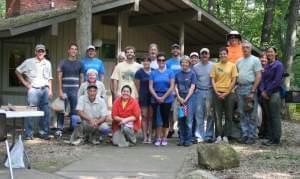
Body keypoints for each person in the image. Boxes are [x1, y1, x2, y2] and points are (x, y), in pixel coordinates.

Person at [15, 44, 53, 140]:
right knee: (30, 111)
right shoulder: (29, 62)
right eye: (38, 51)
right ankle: (28, 134)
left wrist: (50, 90)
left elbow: (49, 78)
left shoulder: (48, 63)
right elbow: (17, 71)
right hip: (33, 90)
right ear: (35, 52)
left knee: (46, 112)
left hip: (45, 89)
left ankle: (43, 132)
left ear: (45, 53)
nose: (40, 53)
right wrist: (26, 84)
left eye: (42, 51)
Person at [236, 41, 262, 144]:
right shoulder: (239, 61)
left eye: (247, 47)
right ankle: (245, 134)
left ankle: (252, 136)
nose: (245, 49)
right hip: (240, 88)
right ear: (241, 49)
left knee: (251, 113)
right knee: (242, 113)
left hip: (250, 88)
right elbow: (237, 75)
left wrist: (252, 90)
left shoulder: (255, 60)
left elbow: (258, 76)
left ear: (250, 49)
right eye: (243, 47)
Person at [210, 47, 238, 143]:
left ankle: (226, 135)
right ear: (219, 55)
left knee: (228, 115)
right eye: (221, 54)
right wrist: (216, 91)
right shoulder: (215, 65)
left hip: (229, 93)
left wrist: (227, 92)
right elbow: (212, 79)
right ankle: (218, 136)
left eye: (224, 54)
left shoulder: (232, 66)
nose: (223, 55)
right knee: (217, 116)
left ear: (227, 54)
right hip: (217, 93)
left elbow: (234, 80)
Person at [56, 43, 84, 136]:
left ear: (77, 52)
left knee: (74, 110)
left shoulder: (80, 63)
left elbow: (81, 78)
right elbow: (59, 77)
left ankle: (73, 128)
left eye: (75, 49)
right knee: (61, 109)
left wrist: (80, 90)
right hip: (64, 89)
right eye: (72, 49)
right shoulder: (63, 62)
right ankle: (59, 128)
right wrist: (60, 90)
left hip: (75, 90)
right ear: (68, 51)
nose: (74, 51)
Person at [149, 53, 175, 146]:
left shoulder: (170, 72)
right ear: (157, 61)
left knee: (165, 118)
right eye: (159, 60)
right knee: (157, 119)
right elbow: (150, 86)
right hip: (155, 97)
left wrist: (163, 97)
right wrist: (157, 97)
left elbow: (172, 86)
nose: (161, 62)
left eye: (163, 60)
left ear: (165, 61)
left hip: (167, 98)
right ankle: (158, 137)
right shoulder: (153, 73)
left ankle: (164, 138)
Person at [260, 47, 284, 146]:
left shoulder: (279, 65)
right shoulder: (266, 66)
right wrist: (262, 91)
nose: (269, 53)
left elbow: (277, 81)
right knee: (268, 116)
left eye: (271, 52)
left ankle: (276, 139)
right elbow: (262, 80)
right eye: (268, 52)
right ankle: (270, 137)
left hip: (274, 93)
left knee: (275, 116)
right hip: (265, 94)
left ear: (275, 53)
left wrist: (267, 91)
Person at [193, 48, 215, 143]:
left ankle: (209, 135)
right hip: (199, 91)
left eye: (206, 54)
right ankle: (199, 136)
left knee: (210, 114)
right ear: (200, 55)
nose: (204, 55)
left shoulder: (214, 65)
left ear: (209, 55)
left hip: (210, 91)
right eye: (202, 54)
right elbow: (194, 80)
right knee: (199, 114)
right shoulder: (195, 67)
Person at [175, 56, 196, 146]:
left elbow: (192, 87)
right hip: (180, 98)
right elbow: (175, 86)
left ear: (189, 63)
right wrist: (179, 97)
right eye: (182, 62)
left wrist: (186, 99)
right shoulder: (178, 74)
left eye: (186, 62)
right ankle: (182, 139)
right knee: (181, 119)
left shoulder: (192, 74)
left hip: (189, 98)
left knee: (188, 120)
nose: (184, 64)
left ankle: (188, 139)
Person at [135, 56, 153, 144]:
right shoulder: (139, 72)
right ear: (142, 63)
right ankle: (145, 136)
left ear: (150, 62)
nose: (146, 63)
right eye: (144, 61)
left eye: (148, 61)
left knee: (151, 117)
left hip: (153, 96)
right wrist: (139, 97)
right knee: (144, 116)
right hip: (143, 96)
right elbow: (137, 86)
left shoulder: (154, 71)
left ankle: (150, 137)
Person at [166, 44, 182, 138]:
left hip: (182, 90)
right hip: (171, 90)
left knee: (182, 110)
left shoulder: (183, 60)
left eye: (177, 48)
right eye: (173, 48)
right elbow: (167, 74)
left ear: (180, 51)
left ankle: (180, 129)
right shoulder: (168, 62)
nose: (175, 50)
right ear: (171, 51)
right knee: (170, 111)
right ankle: (171, 129)